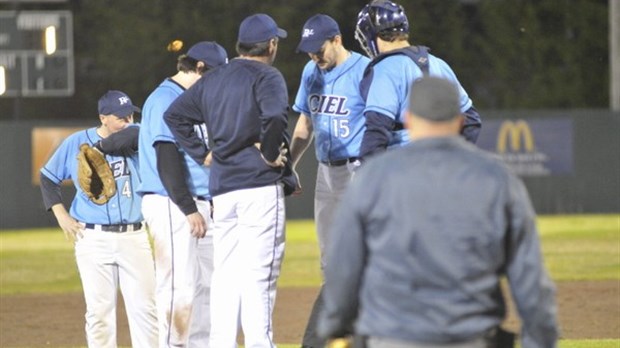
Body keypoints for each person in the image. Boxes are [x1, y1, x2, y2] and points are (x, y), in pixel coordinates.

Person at [317, 77, 559, 348]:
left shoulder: (373, 177)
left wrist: (336, 327)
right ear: (460, 120)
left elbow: (344, 266)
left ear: (408, 119)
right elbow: (531, 281)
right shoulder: (496, 179)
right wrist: (540, 340)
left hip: (391, 338)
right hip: (472, 339)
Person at [163, 13, 297, 348]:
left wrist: (203, 153)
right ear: (271, 44)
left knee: (225, 276)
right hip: (258, 187)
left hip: (222, 190)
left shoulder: (213, 78)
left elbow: (174, 115)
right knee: (258, 277)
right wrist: (269, 154)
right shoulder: (267, 75)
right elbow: (276, 116)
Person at [40, 90, 158, 348]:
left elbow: (136, 131)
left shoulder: (139, 134)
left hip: (134, 236)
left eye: (130, 114)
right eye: (120, 117)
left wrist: (100, 147)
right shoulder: (76, 142)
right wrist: (61, 215)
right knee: (99, 314)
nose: (127, 120)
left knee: (146, 310)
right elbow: (48, 178)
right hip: (92, 237)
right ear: (103, 117)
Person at [137, 41, 228, 347]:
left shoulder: (193, 100)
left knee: (208, 287)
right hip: (171, 202)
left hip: (198, 203)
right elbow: (166, 158)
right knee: (178, 286)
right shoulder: (165, 99)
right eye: (215, 74)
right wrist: (189, 208)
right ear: (200, 68)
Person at [289, 14, 370, 348]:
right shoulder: (312, 72)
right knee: (329, 260)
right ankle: (342, 328)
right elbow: (304, 126)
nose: (313, 56)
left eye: (318, 48)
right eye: (308, 51)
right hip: (327, 172)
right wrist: (288, 166)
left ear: (337, 39)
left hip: (359, 170)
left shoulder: (366, 71)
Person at [355, 0, 482, 160]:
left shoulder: (385, 69)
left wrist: (367, 174)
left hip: (404, 168)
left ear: (375, 35)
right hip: (442, 168)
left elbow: (377, 129)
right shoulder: (438, 64)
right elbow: (471, 121)